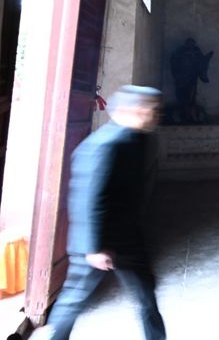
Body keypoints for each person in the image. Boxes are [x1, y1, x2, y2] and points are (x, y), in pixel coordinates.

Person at [41, 85, 167, 340]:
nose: (155, 116)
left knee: (146, 296)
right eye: (151, 110)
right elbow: (89, 198)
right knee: (74, 299)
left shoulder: (137, 139)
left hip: (126, 238)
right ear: (132, 110)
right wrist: (94, 247)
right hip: (97, 241)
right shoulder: (104, 145)